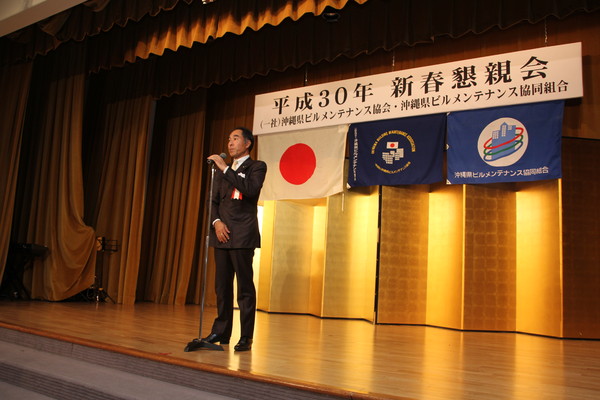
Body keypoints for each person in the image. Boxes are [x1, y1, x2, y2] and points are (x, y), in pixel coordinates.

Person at [202, 127, 267, 351]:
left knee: (244, 288)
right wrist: (216, 222)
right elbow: (212, 201)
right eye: (229, 139)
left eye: (235, 138)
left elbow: (250, 189)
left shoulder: (257, 167)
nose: (230, 143)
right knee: (222, 287)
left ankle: (246, 336)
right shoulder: (221, 171)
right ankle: (221, 332)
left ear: (247, 143)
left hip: (242, 234)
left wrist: (226, 168)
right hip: (221, 234)